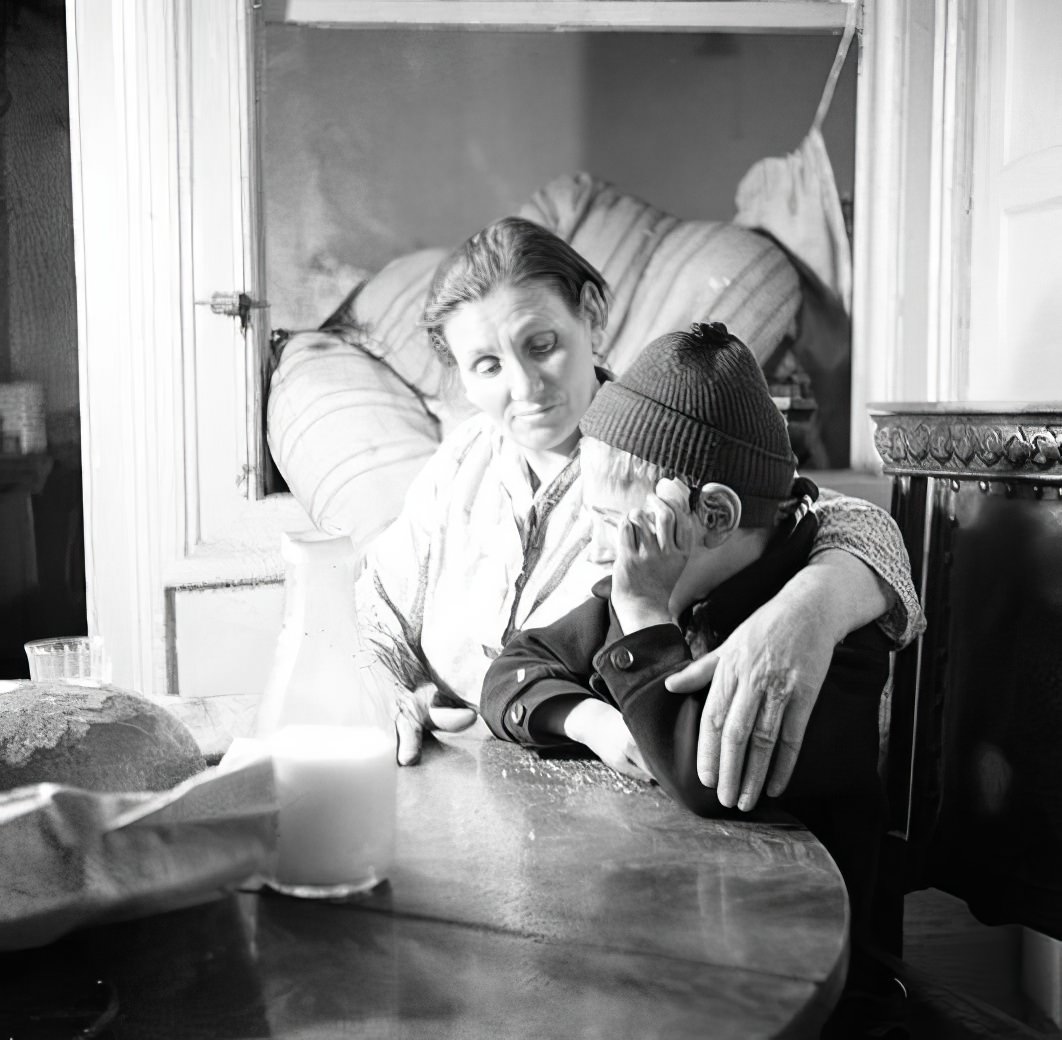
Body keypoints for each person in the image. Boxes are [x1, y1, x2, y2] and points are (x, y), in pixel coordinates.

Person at [355, 216, 924, 813]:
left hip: (626, 826)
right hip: (471, 798)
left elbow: (823, 518)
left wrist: (811, 608)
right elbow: (378, 607)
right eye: (487, 366)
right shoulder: (462, 461)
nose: (523, 386)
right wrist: (386, 689)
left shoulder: (665, 451)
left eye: (542, 345)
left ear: (591, 316)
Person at [478, 321, 888, 910]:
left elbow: (708, 784)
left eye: (615, 525)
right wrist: (591, 722)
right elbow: (513, 668)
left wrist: (643, 610)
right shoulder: (670, 583)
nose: (596, 549)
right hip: (675, 914)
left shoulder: (822, 640)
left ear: (716, 515)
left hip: (799, 949)